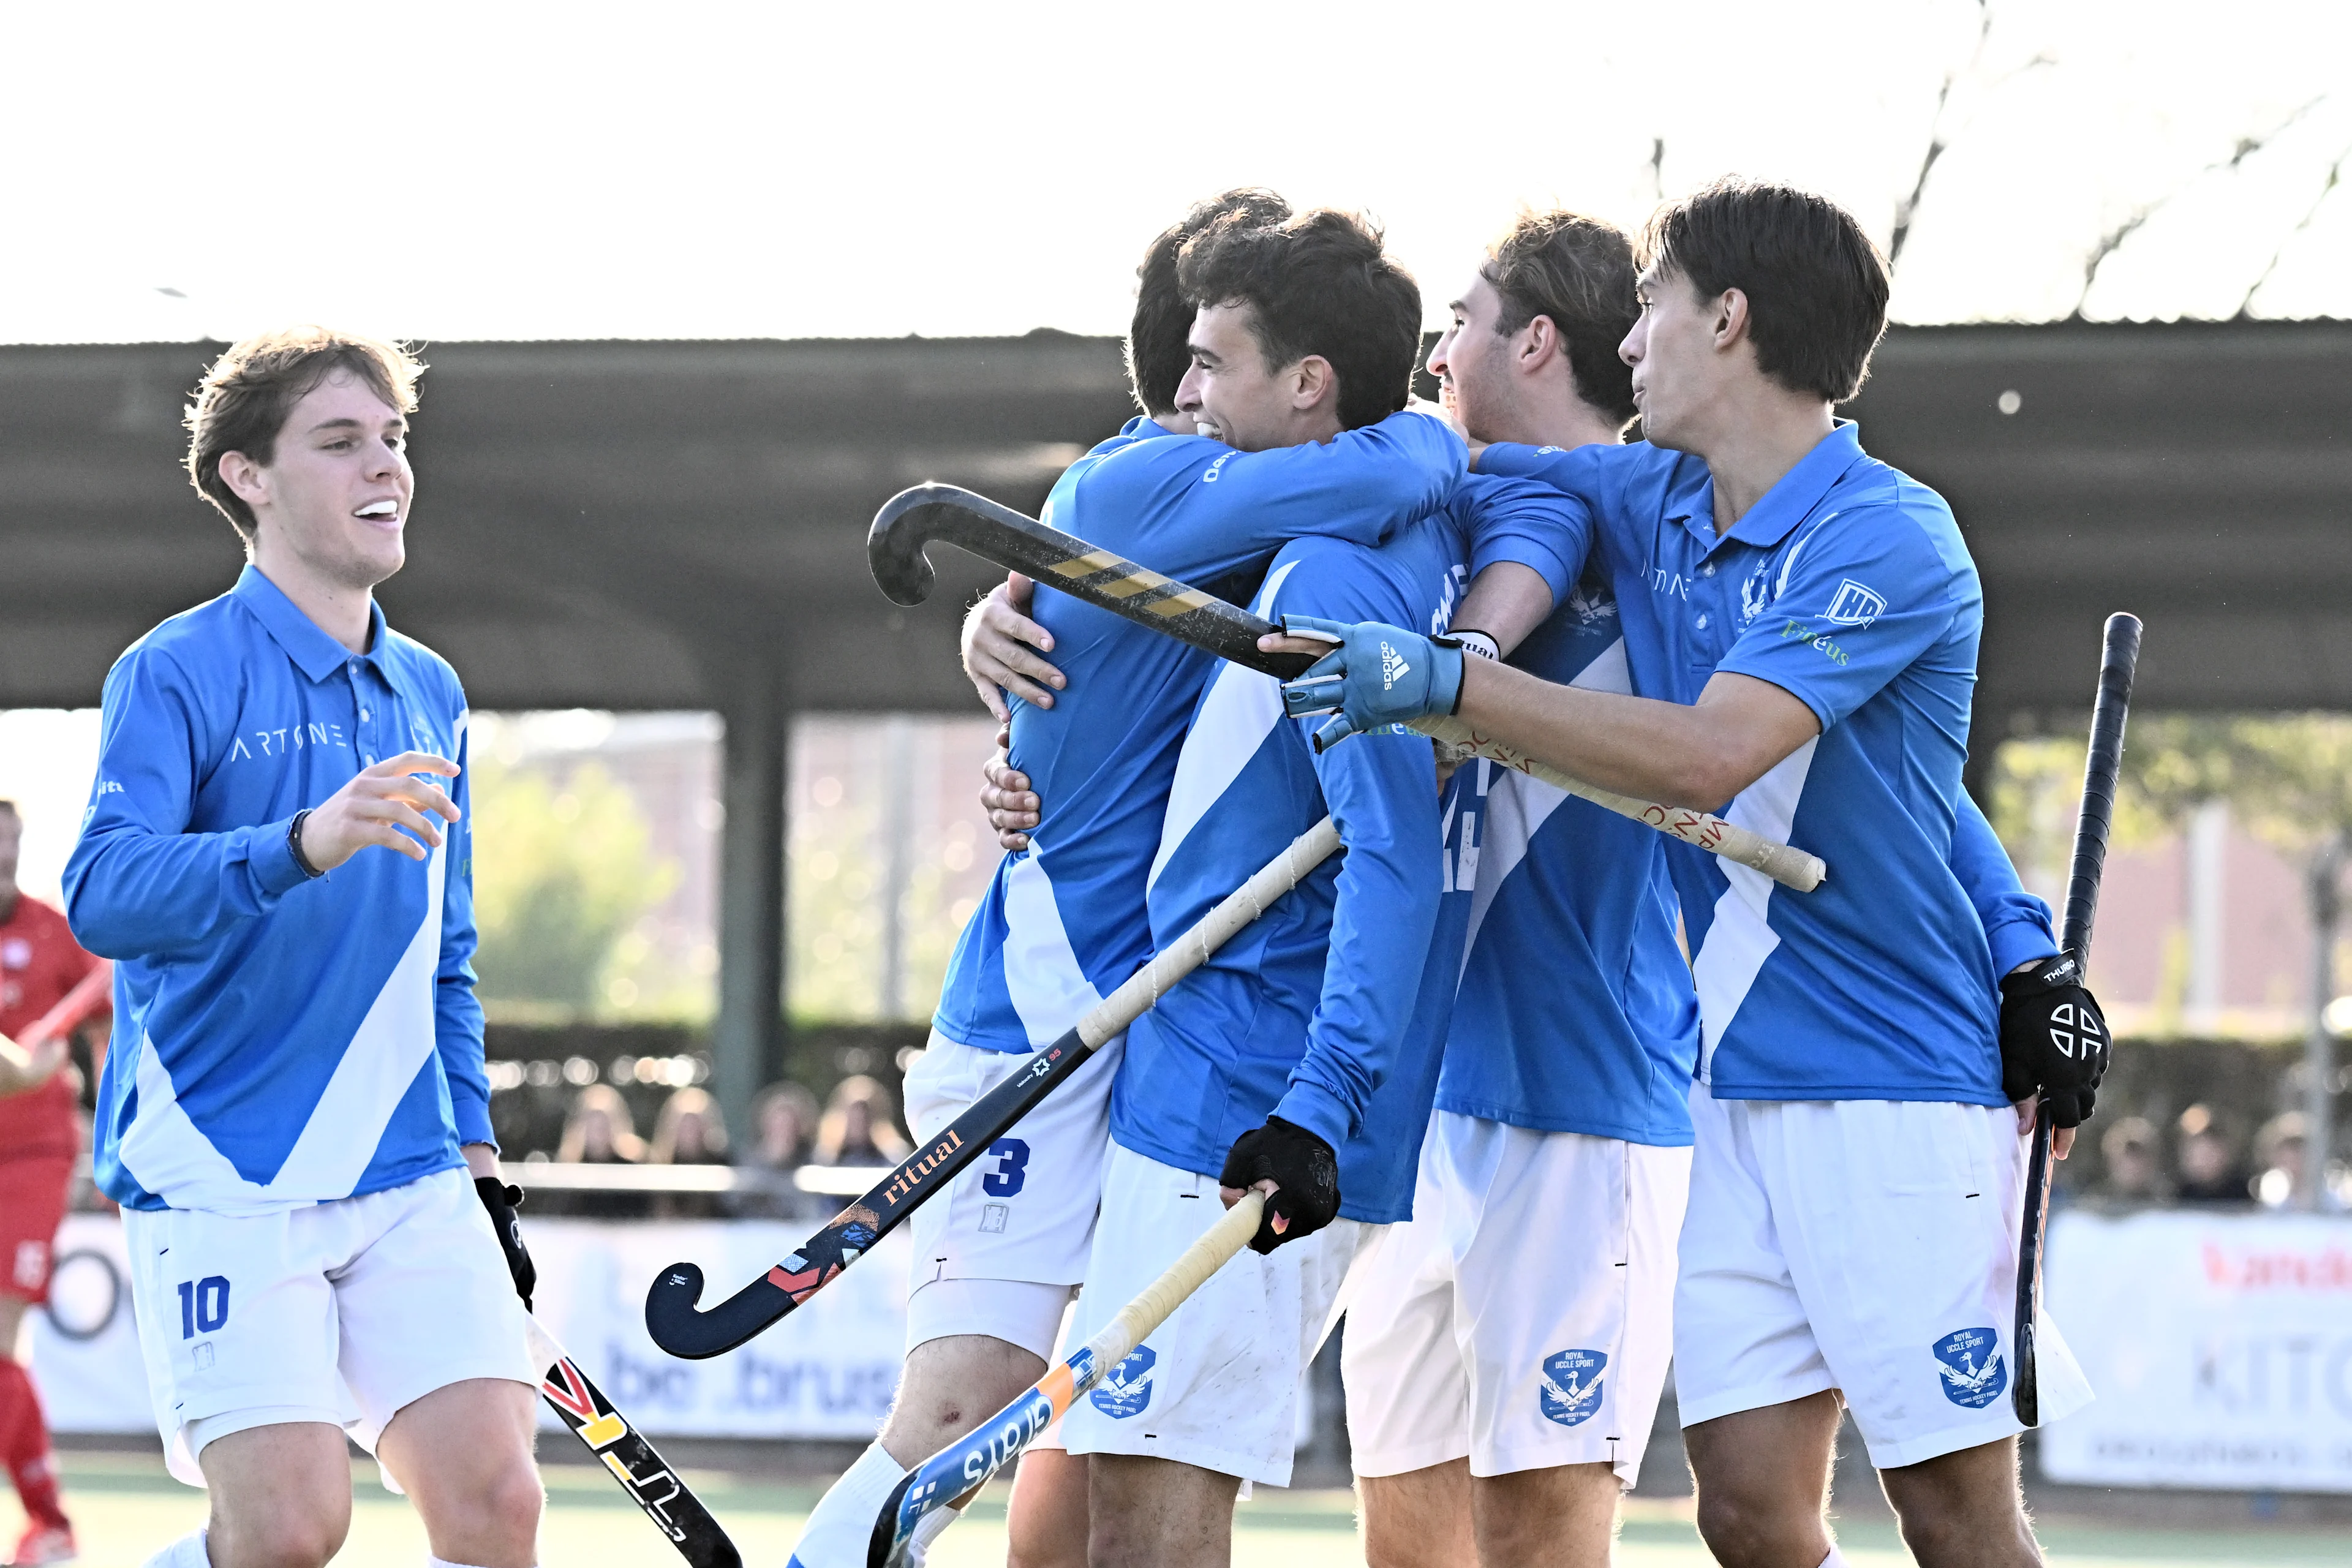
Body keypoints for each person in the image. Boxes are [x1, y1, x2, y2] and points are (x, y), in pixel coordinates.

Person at [1265, 179, 2109, 1568]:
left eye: (1651, 303)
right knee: (1746, 1512)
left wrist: (1440, 684)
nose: (1628, 337)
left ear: (1726, 320)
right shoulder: (1646, 494)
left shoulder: (1885, 535)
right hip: (1729, 1093)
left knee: (1957, 1519)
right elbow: (1411, 469)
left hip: (1892, 1083)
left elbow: (1714, 754)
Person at [784, 190, 1468, 1568]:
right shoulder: (1139, 485)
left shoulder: (1249, 532)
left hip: (1145, 1031)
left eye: (1214, 364)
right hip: (1036, 1013)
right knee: (961, 1419)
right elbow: (1410, 471)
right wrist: (1452, 431)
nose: (1190, 391)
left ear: (1301, 376)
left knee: (1071, 1474)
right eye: (1195, 359)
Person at [66, 328, 544, 1568]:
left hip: (410, 1165)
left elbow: (447, 950)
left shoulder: (432, 687)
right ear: (248, 478)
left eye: (393, 438)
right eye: (339, 441)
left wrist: (481, 1162)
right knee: (286, 1532)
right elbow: (105, 894)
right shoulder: (171, 670)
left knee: (498, 1507)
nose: (384, 464)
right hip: (226, 1170)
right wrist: (301, 841)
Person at [1332, 213, 1699, 1568]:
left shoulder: (1662, 517)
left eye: (1463, 321)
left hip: (1580, 1105)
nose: (1437, 353)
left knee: (1542, 1542)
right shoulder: (1437, 514)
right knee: (1405, 1540)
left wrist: (1462, 665)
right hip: (1425, 1114)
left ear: (1535, 338)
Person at [0, 801, 108, 1565]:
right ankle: (52, 1524)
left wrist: (112, 1128)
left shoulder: (51, 930)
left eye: (10, 842)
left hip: (34, 1156)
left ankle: (51, 1524)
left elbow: (106, 1008)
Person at [734, 1079, 822, 1221]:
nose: (784, 1129)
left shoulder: (812, 1160)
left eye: (790, 1124)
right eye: (779, 1123)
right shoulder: (748, 1159)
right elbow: (736, 1201)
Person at [647, 1085, 728, 1221]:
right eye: (684, 1124)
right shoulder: (656, 1165)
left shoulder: (722, 1163)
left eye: (695, 1123)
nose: (690, 1129)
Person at [809, 1074, 910, 1168]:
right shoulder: (825, 1158)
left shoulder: (894, 1155)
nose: (860, 1121)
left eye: (865, 1114)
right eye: (854, 1115)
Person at [2092, 1116, 2167, 1206]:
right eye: (2127, 1155)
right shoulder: (2096, 1204)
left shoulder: (2168, 1202)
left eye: (2139, 1155)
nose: (2132, 1165)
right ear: (2110, 1160)